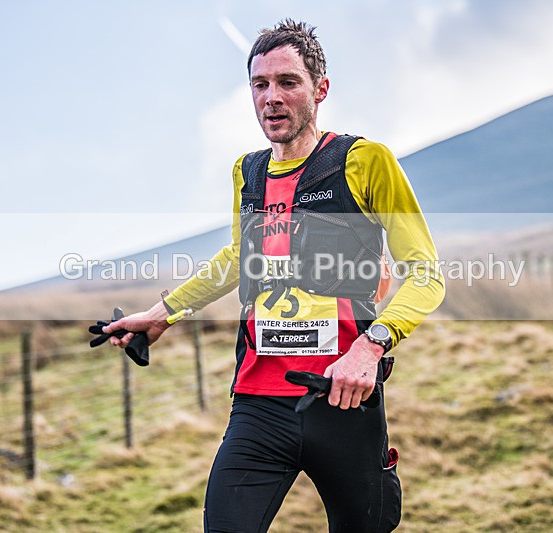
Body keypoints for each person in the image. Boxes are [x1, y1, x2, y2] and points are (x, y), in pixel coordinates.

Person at [104, 19, 445, 532]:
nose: (272, 98)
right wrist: (161, 314)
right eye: (260, 85)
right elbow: (237, 257)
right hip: (258, 404)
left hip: (342, 397)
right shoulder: (248, 172)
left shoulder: (363, 161)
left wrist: (370, 346)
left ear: (320, 89)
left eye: (288, 82)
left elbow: (426, 274)